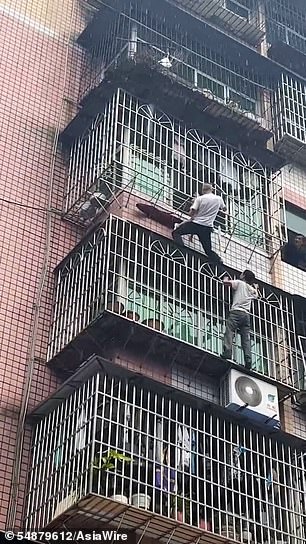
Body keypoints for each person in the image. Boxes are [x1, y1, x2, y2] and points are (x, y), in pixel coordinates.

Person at [172, 183, 226, 263]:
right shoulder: (219, 199)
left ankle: (182, 251)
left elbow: (191, 213)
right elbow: (224, 209)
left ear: (203, 190)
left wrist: (193, 210)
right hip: (207, 228)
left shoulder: (200, 199)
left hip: (196, 225)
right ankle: (219, 260)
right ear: (212, 189)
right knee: (208, 250)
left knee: (176, 233)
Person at [221, 270, 259, 370]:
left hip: (236, 312)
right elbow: (256, 295)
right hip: (246, 315)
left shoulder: (239, 283)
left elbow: (226, 283)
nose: (240, 274)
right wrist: (255, 287)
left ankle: (227, 352)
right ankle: (248, 360)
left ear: (243, 276)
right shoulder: (252, 289)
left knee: (229, 331)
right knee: (245, 339)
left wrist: (225, 278)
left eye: (242, 273)